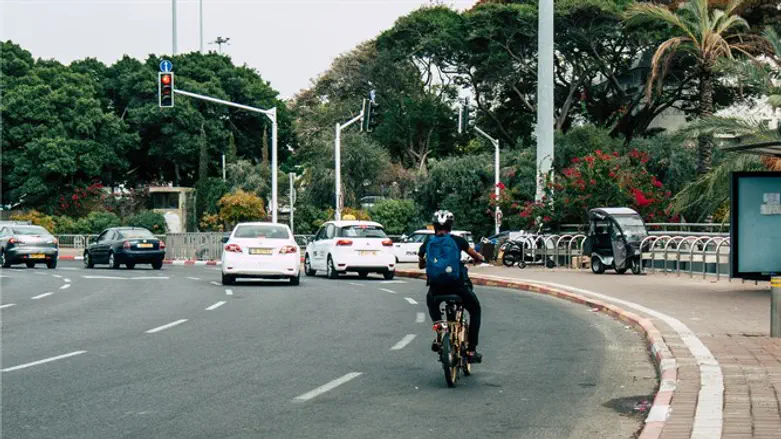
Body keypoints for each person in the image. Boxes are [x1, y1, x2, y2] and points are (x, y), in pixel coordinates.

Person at [418, 210, 485, 363]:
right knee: (475, 310)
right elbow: (476, 256)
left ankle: (440, 333)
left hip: (436, 288)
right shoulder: (458, 241)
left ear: (434, 227)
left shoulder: (428, 243)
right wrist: (480, 258)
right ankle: (471, 350)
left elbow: (421, 264)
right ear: (450, 226)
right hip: (457, 286)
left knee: (431, 303)